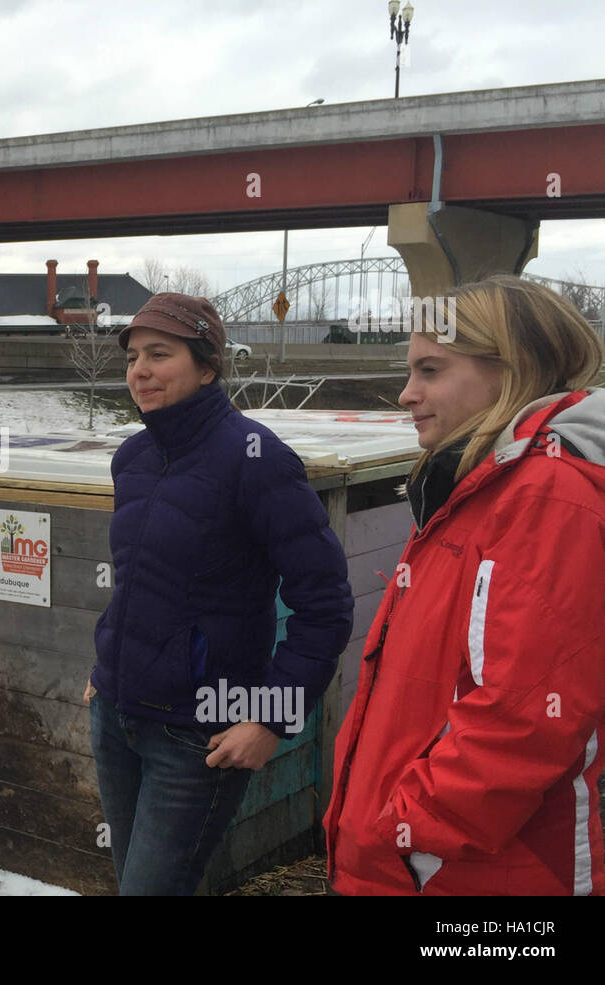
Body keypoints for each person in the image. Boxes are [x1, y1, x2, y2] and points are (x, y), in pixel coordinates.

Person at [324, 275, 605, 896]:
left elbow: (525, 717)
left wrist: (401, 834)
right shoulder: (477, 490)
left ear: (511, 372)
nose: (406, 393)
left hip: (473, 876)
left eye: (430, 370)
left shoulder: (546, 496)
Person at [85, 292, 354, 896]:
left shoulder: (257, 460)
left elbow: (325, 605)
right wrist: (108, 665)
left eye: (160, 354)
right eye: (132, 357)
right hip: (117, 717)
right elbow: (139, 579)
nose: (140, 371)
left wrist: (272, 718)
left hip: (196, 735)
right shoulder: (132, 457)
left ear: (207, 367)